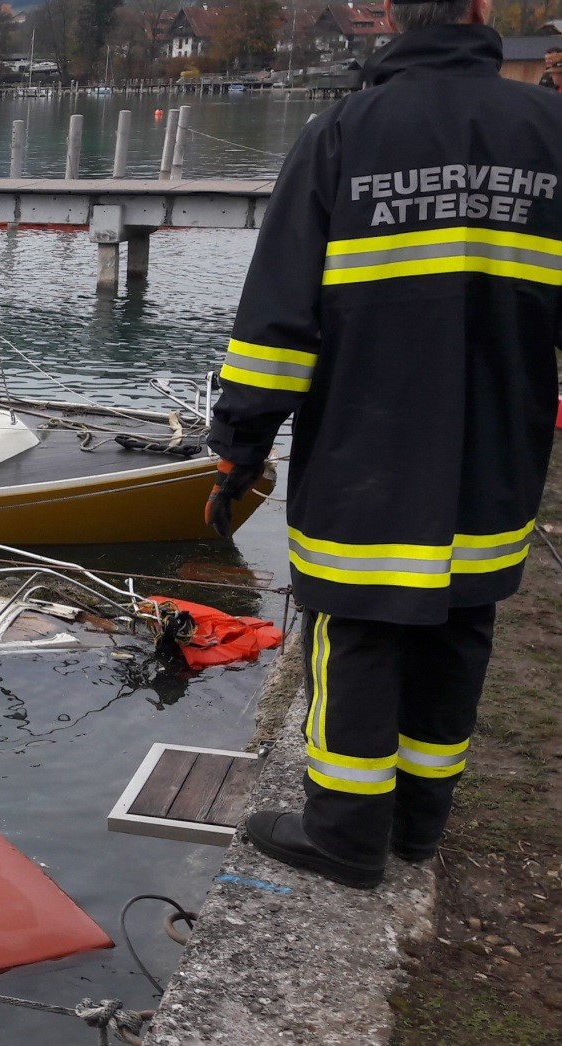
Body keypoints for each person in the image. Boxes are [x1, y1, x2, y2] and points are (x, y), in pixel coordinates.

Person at [205, 0, 562, 889]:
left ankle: (346, 836)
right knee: (460, 627)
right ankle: (417, 825)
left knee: (359, 630)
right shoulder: (550, 131)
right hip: (498, 449)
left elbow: (276, 327)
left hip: (370, 446)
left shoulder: (344, 134)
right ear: (481, 14)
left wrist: (240, 446)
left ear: (394, 18)